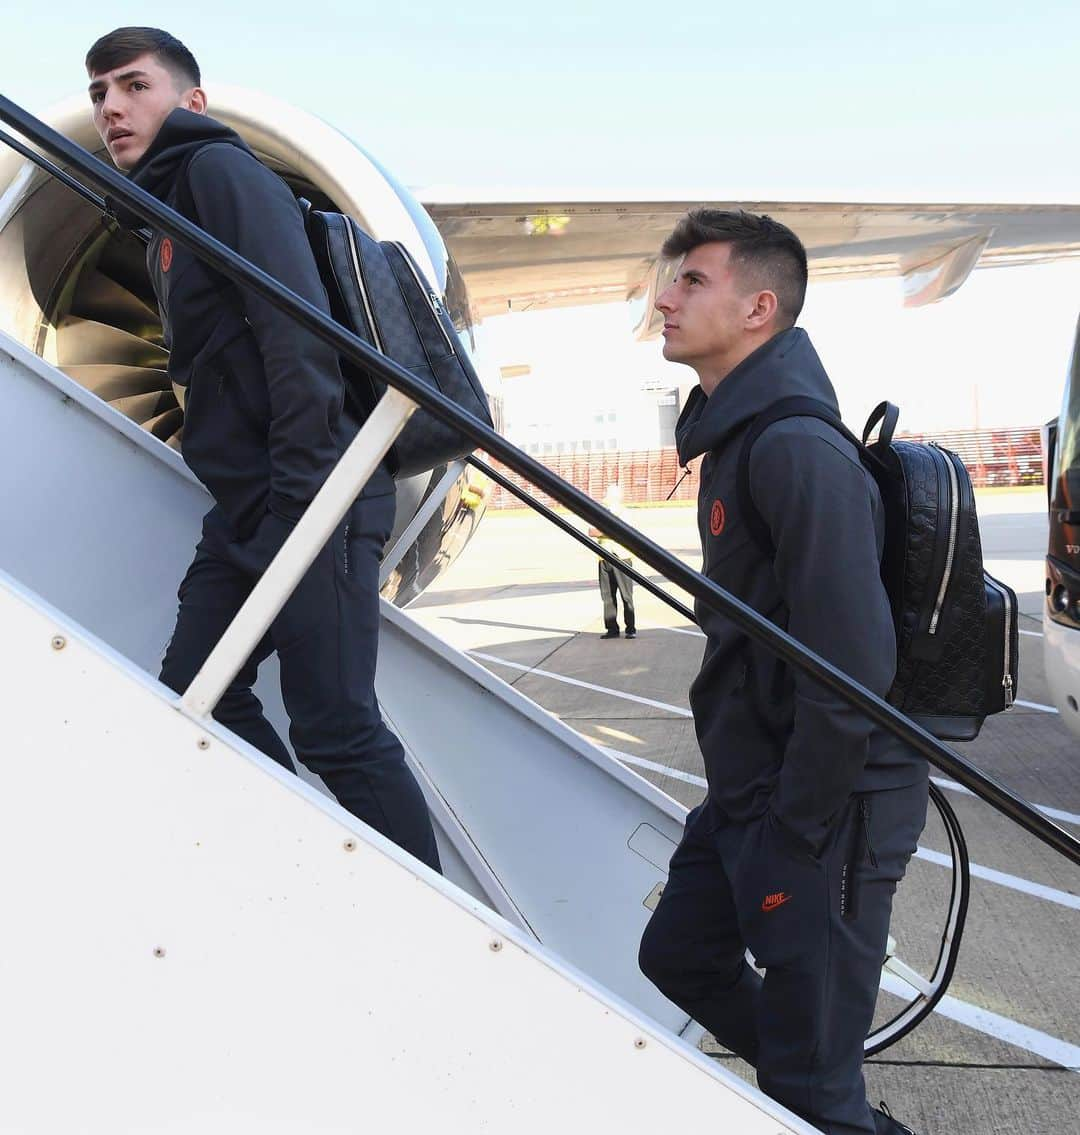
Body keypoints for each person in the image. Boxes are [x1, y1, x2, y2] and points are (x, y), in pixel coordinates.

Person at [85, 27, 441, 872]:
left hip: (309, 490)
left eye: (134, 86)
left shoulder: (217, 171)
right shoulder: (163, 214)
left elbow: (295, 326)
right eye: (100, 92)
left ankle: (425, 912)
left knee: (337, 724)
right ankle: (314, 859)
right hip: (249, 506)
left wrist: (305, 482)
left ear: (191, 101)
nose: (110, 108)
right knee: (194, 690)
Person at [636, 209, 926, 1135]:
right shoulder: (739, 438)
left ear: (760, 308)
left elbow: (853, 665)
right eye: (669, 277)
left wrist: (796, 833)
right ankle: (828, 1086)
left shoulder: (793, 446)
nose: (664, 296)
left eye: (692, 280)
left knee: (808, 1089)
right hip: (754, 790)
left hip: (824, 807)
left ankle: (826, 1093)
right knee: (680, 952)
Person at [588, 482, 636, 639]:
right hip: (604, 557)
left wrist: (603, 530)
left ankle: (630, 628)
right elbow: (591, 531)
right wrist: (606, 531)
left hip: (621, 558)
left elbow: (621, 532)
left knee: (626, 596)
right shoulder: (601, 513)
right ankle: (612, 628)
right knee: (607, 596)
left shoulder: (625, 513)